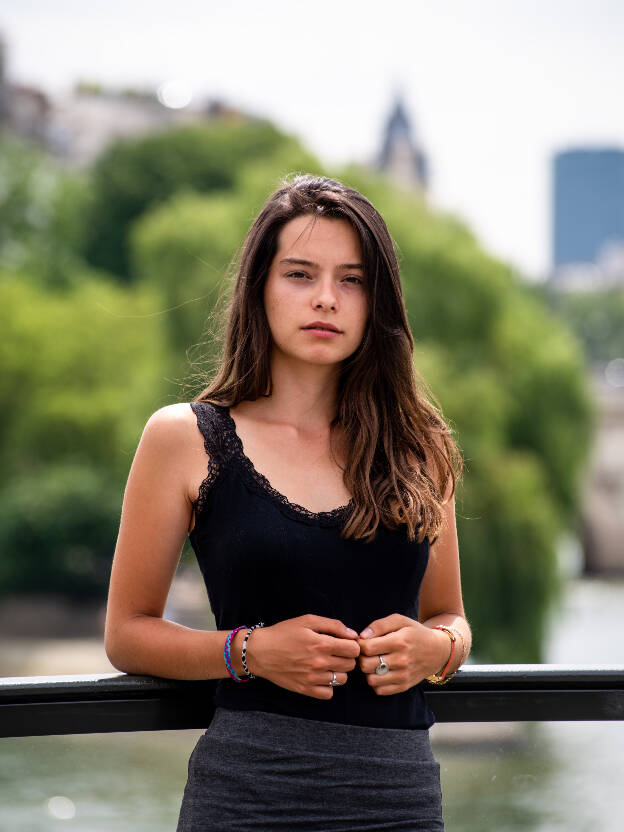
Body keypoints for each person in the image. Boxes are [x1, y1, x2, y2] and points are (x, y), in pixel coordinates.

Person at [104, 173, 471, 831]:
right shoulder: (184, 439)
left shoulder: (421, 447)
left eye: (352, 280)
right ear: (261, 289)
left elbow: (449, 616)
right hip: (248, 798)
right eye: (300, 274)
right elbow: (127, 634)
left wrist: (436, 651)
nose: (327, 299)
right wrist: (248, 651)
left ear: (376, 302)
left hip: (401, 802)